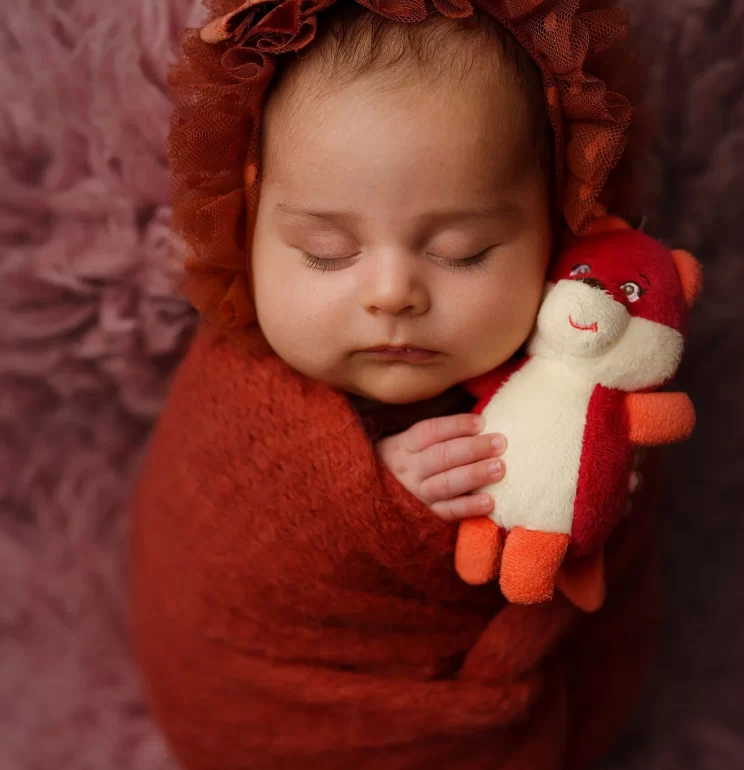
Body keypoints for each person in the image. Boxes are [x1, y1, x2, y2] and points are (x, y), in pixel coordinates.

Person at [130, 2, 657, 768]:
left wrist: (595, 470)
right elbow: (209, 553)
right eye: (325, 251)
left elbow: (610, 563)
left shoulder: (593, 359)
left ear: (559, 226)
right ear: (246, 227)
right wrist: (370, 503)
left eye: (464, 251)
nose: (392, 295)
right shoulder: (237, 398)